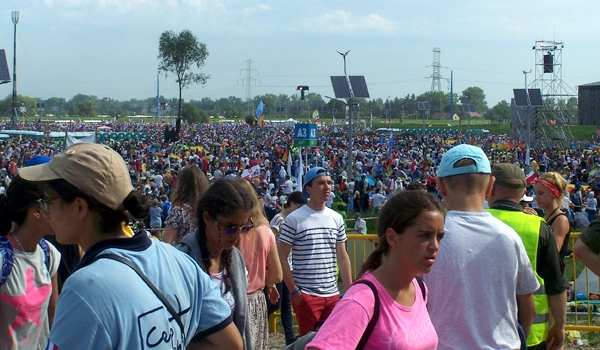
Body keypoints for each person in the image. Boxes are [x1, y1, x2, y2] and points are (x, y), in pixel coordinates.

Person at [19, 143, 242, 349]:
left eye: (49, 202)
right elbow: (232, 343)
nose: (46, 212)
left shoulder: (84, 289)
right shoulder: (179, 260)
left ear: (79, 207)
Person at [423, 144, 539, 349]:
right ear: (490, 186)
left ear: (440, 186)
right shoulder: (508, 237)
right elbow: (528, 306)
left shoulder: (426, 240)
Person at [307, 190, 444, 350]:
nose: (435, 245)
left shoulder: (419, 288)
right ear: (392, 237)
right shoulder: (361, 301)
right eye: (424, 235)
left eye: (439, 236)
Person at [487, 163, 568, 350]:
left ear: (490, 186)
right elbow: (556, 284)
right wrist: (560, 326)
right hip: (531, 335)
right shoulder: (539, 227)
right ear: (523, 191)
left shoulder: (475, 221)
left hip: (483, 331)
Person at [178, 179, 254, 350]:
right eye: (230, 227)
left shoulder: (235, 258)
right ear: (207, 218)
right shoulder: (183, 261)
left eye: (244, 227)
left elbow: (241, 321)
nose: (237, 235)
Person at [277, 166, 353, 336]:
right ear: (308, 189)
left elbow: (342, 257)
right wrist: (294, 291)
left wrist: (349, 291)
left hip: (333, 294)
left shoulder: (336, 218)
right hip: (307, 294)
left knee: (334, 341)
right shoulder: (294, 219)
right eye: (321, 183)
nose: (327, 187)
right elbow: (281, 256)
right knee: (310, 342)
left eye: (329, 183)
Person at [0, 174, 60, 349]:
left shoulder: (49, 254)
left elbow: (53, 316)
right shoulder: (3, 259)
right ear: (36, 211)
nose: (59, 210)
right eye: (52, 203)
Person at [235, 179, 282, 350]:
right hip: (255, 299)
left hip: (230, 298)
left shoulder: (228, 233)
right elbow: (277, 274)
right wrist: (262, 280)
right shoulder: (265, 231)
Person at [269, 191, 306, 345]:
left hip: (287, 267)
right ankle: (258, 321)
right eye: (298, 206)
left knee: (286, 304)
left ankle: (289, 337)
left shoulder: (292, 220)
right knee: (276, 303)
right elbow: (269, 241)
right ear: (291, 204)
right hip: (278, 267)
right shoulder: (279, 219)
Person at [163, 165, 209, 245]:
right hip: (204, 256)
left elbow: (165, 245)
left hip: (181, 255)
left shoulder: (179, 212)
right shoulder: (209, 210)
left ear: (182, 186)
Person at [533, 172, 570, 269]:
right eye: (536, 193)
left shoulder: (560, 220)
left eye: (540, 193)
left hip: (554, 281)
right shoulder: (548, 217)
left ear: (553, 193)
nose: (536, 198)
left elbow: (552, 254)